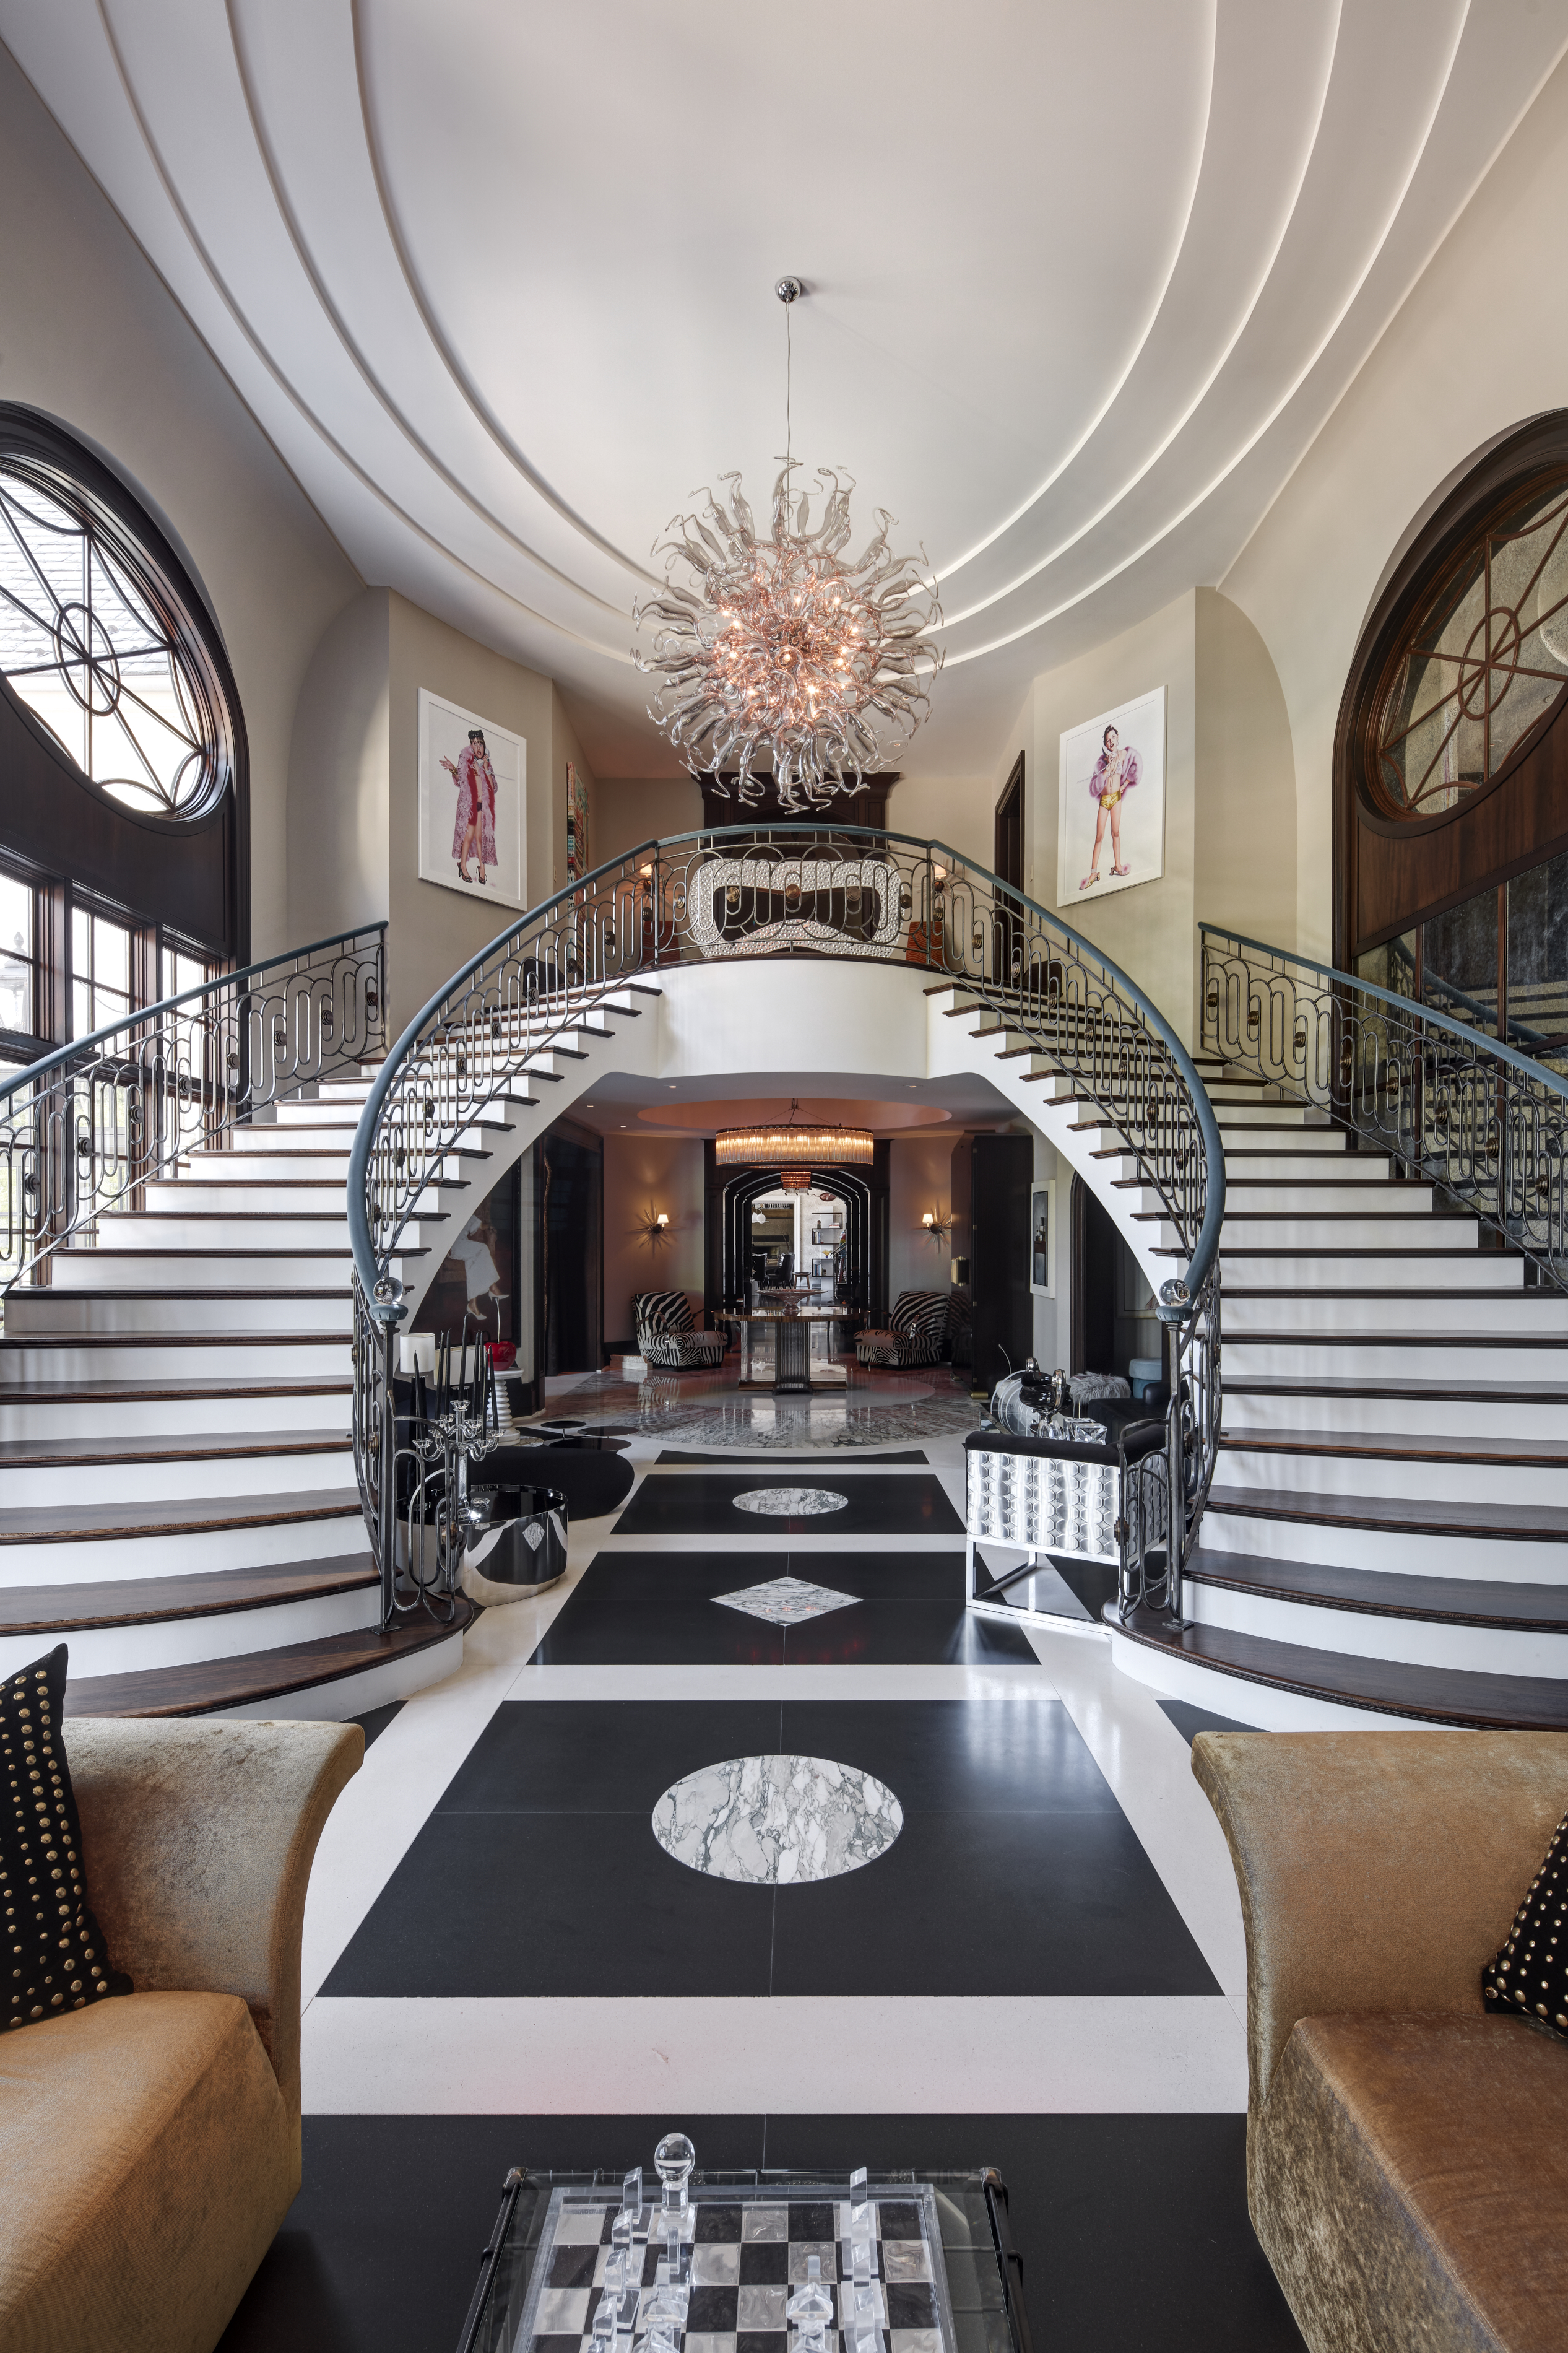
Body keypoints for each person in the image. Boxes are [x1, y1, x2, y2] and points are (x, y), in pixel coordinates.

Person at [1080, 723, 1141, 890]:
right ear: (1105, 744)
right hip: (1104, 800)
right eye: (1108, 740)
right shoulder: (1102, 762)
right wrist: (1108, 766)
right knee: (1099, 836)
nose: (1111, 741)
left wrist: (1125, 784)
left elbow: (1137, 765)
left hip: (1116, 798)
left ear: (1118, 738)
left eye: (1113, 737)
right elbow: (1096, 785)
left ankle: (1118, 867)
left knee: (1116, 832)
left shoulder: (1124, 754)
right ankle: (1094, 873)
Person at [440, 729, 500, 886]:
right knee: (469, 836)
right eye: (475, 744)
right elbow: (460, 782)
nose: (478, 747)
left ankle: (482, 869)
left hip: (482, 807)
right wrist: (453, 768)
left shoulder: (486, 765)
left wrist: (486, 768)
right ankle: (463, 865)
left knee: (481, 838)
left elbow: (494, 788)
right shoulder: (466, 762)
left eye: (480, 744)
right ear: (471, 747)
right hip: (471, 806)